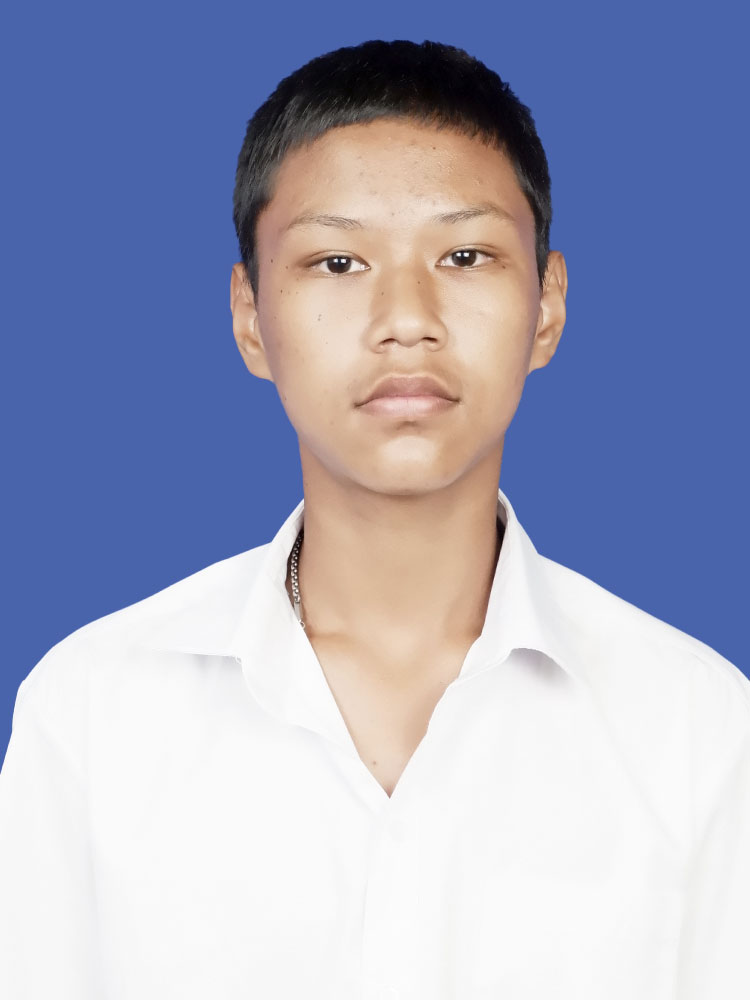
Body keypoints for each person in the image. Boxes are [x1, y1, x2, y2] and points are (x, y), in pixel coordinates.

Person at [0, 38, 748, 1000]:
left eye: (465, 255)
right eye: (338, 260)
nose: (405, 317)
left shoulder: (694, 729)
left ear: (548, 307)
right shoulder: (93, 713)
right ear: (249, 317)